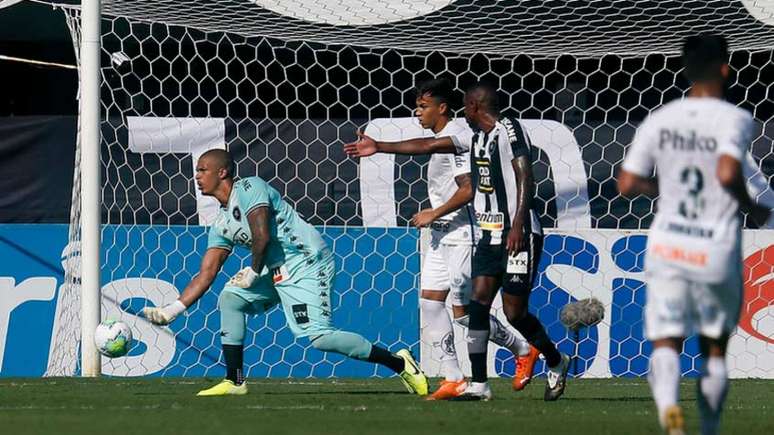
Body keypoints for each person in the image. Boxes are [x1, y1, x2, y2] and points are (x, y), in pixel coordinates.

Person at [345, 82, 570, 401]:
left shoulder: (510, 129)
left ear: (475, 107)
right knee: (476, 305)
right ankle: (476, 384)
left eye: (466, 106)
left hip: (516, 232)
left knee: (514, 313)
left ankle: (553, 359)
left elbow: (524, 175)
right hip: (488, 234)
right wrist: (380, 146)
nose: (464, 113)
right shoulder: (472, 137)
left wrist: (518, 222)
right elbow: (428, 146)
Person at [143, 149, 429, 397]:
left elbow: (262, 235)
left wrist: (253, 272)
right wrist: (172, 311)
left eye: (202, 170)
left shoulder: (250, 188)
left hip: (306, 261)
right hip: (273, 268)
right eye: (197, 171)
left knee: (319, 338)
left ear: (223, 171)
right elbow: (207, 273)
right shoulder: (221, 223)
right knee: (231, 298)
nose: (197, 176)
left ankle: (399, 363)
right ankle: (234, 380)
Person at [618, 34, 770, 435]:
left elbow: (627, 182)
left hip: (667, 243)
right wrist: (749, 204)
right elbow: (725, 172)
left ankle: (670, 412)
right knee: (714, 348)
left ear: (685, 70)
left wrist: (663, 190)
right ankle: (708, 428)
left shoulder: (660, 119)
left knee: (667, 340)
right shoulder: (735, 119)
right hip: (713, 244)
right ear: (725, 68)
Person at [397, 78, 538, 400]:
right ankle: (454, 378)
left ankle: (522, 348)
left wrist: (435, 211)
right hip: (440, 236)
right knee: (429, 303)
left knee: (463, 314)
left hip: (464, 233)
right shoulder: (447, 140)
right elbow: (427, 148)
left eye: (422, 107)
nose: (417, 112)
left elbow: (469, 188)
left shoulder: (460, 137)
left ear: (442, 108)